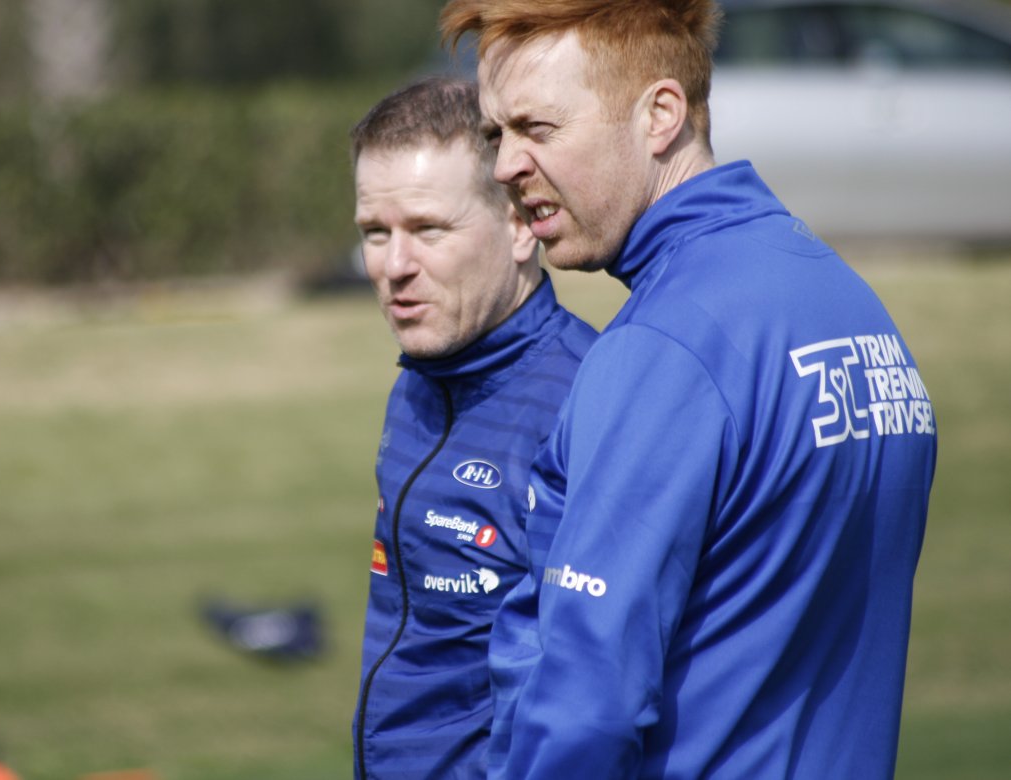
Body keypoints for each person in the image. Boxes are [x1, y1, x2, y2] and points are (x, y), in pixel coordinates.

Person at [439, 1, 938, 777]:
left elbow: (584, 703)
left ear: (660, 115)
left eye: (537, 128)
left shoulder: (663, 349)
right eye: (495, 134)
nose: (505, 165)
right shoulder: (847, 304)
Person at [349, 77, 597, 779]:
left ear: (519, 224)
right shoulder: (420, 382)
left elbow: (595, 697)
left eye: (429, 229)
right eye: (375, 233)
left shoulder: (587, 404)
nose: (395, 267)